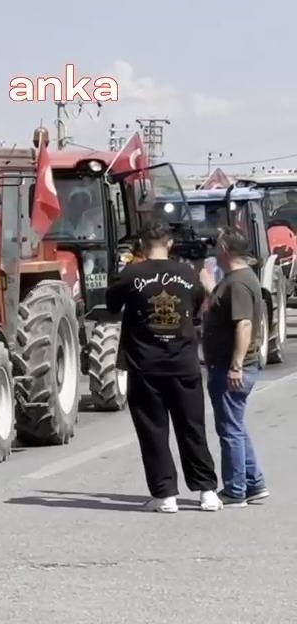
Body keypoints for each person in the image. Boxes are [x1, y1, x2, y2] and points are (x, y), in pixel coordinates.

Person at [105, 216, 221, 513]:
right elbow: (195, 308)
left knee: (153, 431)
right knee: (192, 428)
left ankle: (165, 494)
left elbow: (111, 304)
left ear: (142, 245)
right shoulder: (187, 272)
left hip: (146, 365)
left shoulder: (131, 273)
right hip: (183, 362)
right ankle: (207, 491)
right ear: (169, 243)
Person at [199, 226, 270, 507]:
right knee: (236, 427)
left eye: (217, 245)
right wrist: (209, 286)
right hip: (228, 365)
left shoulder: (238, 282)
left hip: (231, 367)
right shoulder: (234, 279)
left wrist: (236, 366)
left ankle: (235, 490)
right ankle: (254, 484)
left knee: (229, 431)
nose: (214, 249)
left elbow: (244, 323)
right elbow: (222, 306)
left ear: (226, 250)